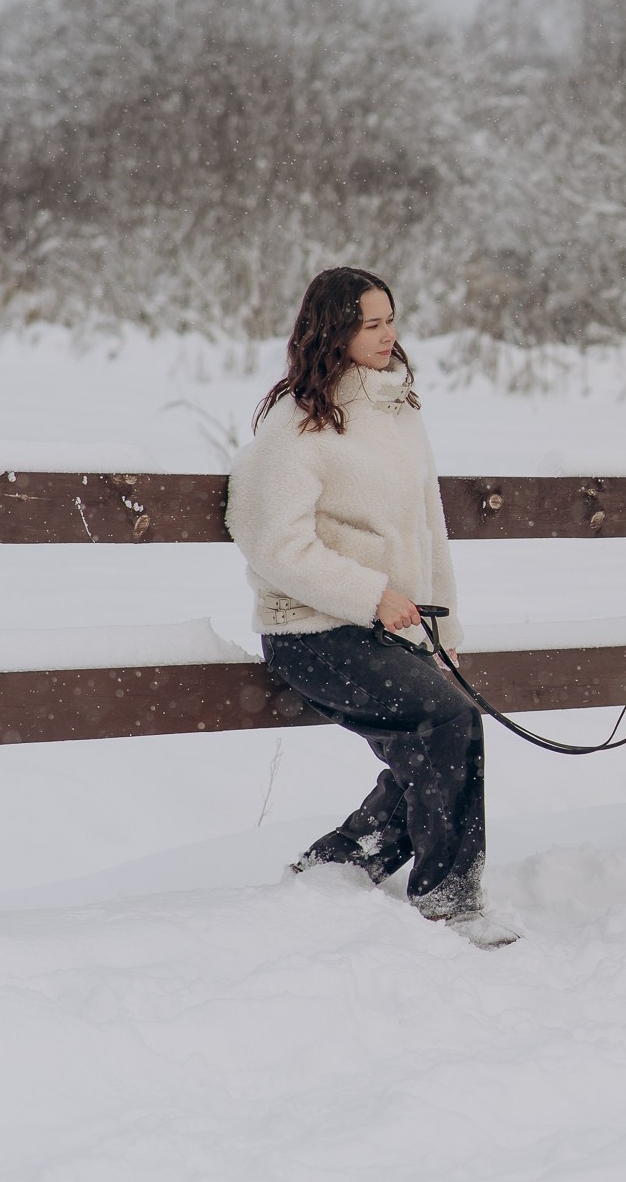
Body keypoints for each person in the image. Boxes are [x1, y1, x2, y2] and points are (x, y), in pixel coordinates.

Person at [226, 266, 517, 948]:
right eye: (371, 323)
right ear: (334, 329)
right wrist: (368, 594)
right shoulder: (296, 424)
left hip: (391, 628)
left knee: (439, 732)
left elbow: (427, 528)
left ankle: (342, 862)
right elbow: (275, 545)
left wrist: (446, 630)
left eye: (391, 319)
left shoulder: (398, 408)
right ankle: (448, 901)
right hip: (311, 630)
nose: (388, 335)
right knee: (449, 720)